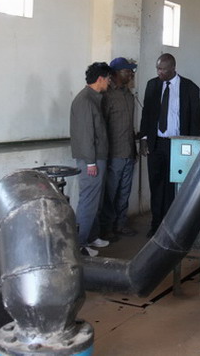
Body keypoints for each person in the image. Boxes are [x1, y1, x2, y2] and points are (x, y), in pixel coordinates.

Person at [140, 53, 200, 238]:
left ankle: (172, 226)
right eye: (157, 68)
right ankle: (156, 224)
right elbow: (147, 114)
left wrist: (191, 147)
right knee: (156, 183)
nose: (159, 72)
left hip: (178, 144)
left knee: (174, 185)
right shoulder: (152, 85)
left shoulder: (190, 88)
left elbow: (194, 120)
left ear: (173, 68)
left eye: (163, 69)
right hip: (156, 143)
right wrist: (143, 138)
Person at [70, 62, 112, 257]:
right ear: (100, 79)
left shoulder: (93, 98)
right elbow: (86, 134)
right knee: (88, 201)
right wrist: (90, 162)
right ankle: (80, 245)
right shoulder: (85, 101)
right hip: (91, 159)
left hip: (97, 157)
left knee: (95, 200)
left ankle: (92, 236)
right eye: (108, 79)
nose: (109, 82)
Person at [99, 57, 139, 241]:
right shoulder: (107, 95)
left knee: (124, 192)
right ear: (116, 73)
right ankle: (107, 227)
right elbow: (102, 126)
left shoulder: (128, 95)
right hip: (114, 153)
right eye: (127, 71)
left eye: (131, 71)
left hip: (129, 152)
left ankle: (121, 224)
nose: (130, 74)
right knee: (110, 193)